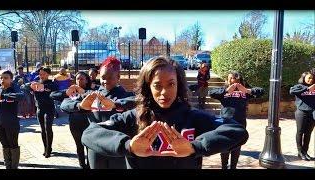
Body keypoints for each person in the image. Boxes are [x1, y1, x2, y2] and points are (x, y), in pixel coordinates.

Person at [80, 56, 249, 169]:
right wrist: (128, 146)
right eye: (157, 85)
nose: (164, 92)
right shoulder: (133, 117)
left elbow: (237, 130)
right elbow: (90, 133)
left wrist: (193, 148)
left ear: (179, 85)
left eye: (171, 84)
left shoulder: (193, 117)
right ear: (148, 87)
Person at [61, 56, 136, 169]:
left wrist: (115, 104)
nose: (105, 81)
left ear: (118, 77)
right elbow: (64, 104)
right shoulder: (92, 95)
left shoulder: (125, 96)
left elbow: (138, 101)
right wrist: (80, 106)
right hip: (96, 146)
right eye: (103, 77)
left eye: (110, 77)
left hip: (117, 146)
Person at [208, 71, 264, 169]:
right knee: (225, 146)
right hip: (225, 123)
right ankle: (224, 166)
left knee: (237, 147)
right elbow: (211, 93)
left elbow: (261, 91)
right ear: (228, 81)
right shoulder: (224, 90)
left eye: (236, 81)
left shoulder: (244, 92)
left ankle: (233, 167)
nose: (234, 83)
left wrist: (247, 90)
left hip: (240, 123)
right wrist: (226, 91)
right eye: (231, 80)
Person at [50, 71, 94, 169]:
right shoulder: (72, 91)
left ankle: (90, 165)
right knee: (79, 145)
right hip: (74, 122)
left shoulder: (91, 91)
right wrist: (66, 92)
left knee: (89, 146)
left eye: (82, 79)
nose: (79, 81)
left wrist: (82, 91)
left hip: (89, 123)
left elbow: (94, 95)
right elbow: (53, 95)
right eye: (78, 79)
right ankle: (82, 165)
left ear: (87, 80)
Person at [22, 67, 58, 158]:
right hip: (39, 109)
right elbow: (23, 86)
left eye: (43, 74)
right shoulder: (36, 83)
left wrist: (43, 87)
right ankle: (45, 148)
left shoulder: (51, 83)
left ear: (48, 74)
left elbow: (54, 88)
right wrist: (30, 86)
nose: (41, 76)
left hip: (49, 109)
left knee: (48, 129)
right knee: (42, 130)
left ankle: (49, 149)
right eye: (40, 74)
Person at [0, 69, 24, 169]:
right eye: (0, 78)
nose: (2, 80)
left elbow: (21, 96)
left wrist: (2, 96)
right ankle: (8, 166)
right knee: (5, 145)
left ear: (11, 79)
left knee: (13, 145)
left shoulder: (14, 89)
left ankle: (14, 167)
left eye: (5, 78)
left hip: (11, 123)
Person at [289, 71, 315, 161]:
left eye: (312, 78)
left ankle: (305, 152)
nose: (310, 80)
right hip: (301, 112)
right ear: (303, 78)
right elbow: (291, 91)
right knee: (300, 132)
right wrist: (308, 89)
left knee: (308, 133)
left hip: (312, 113)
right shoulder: (299, 86)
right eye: (309, 78)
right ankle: (300, 152)